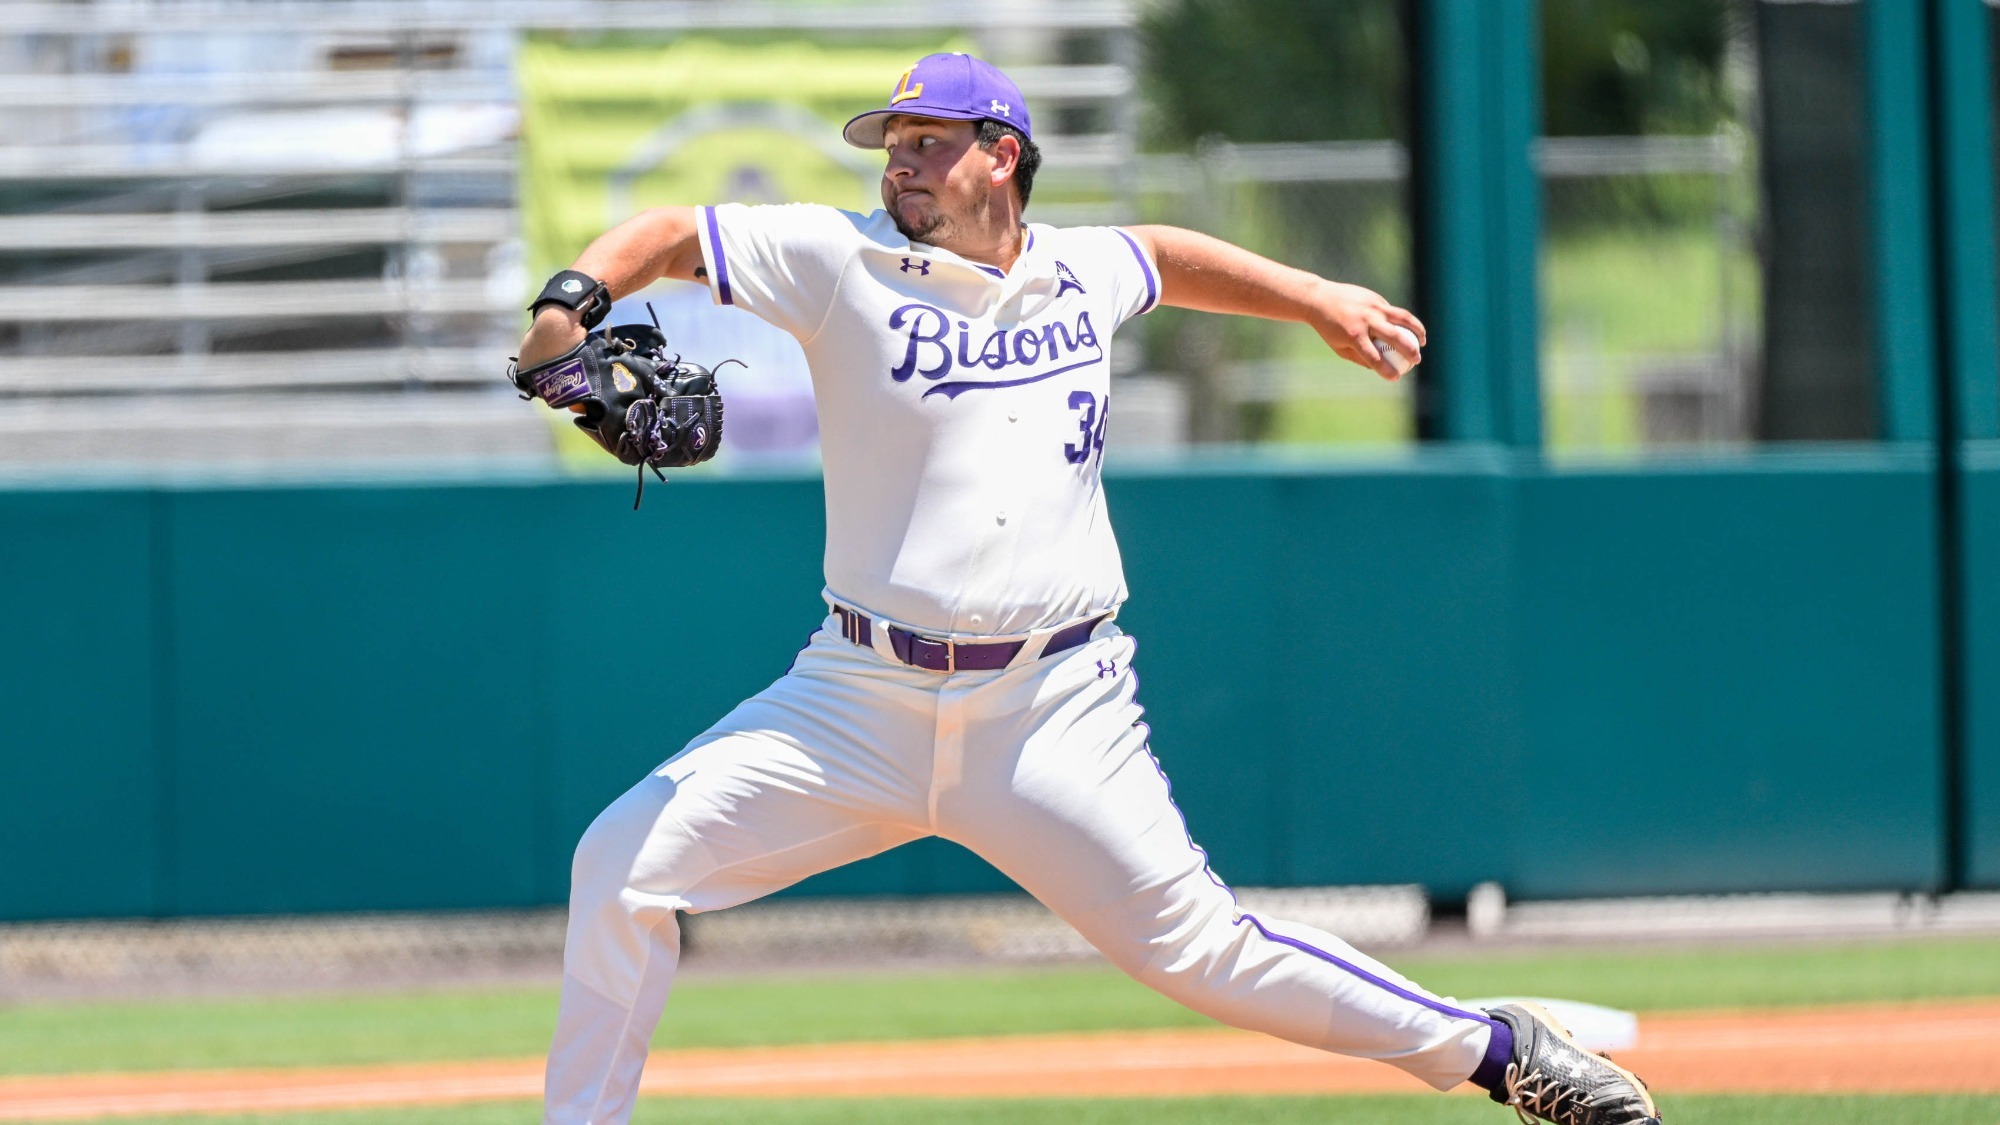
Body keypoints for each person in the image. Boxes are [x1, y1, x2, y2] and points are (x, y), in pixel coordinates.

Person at [517, 52, 1662, 1125]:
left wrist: (1314, 296)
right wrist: (567, 308)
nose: (899, 162)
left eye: (926, 141)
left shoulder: (1082, 270)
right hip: (856, 698)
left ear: (1000, 153)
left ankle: (1494, 1051)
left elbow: (1163, 254)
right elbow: (669, 236)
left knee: (1201, 951)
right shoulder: (838, 260)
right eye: (891, 144)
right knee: (619, 865)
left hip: (1050, 707)